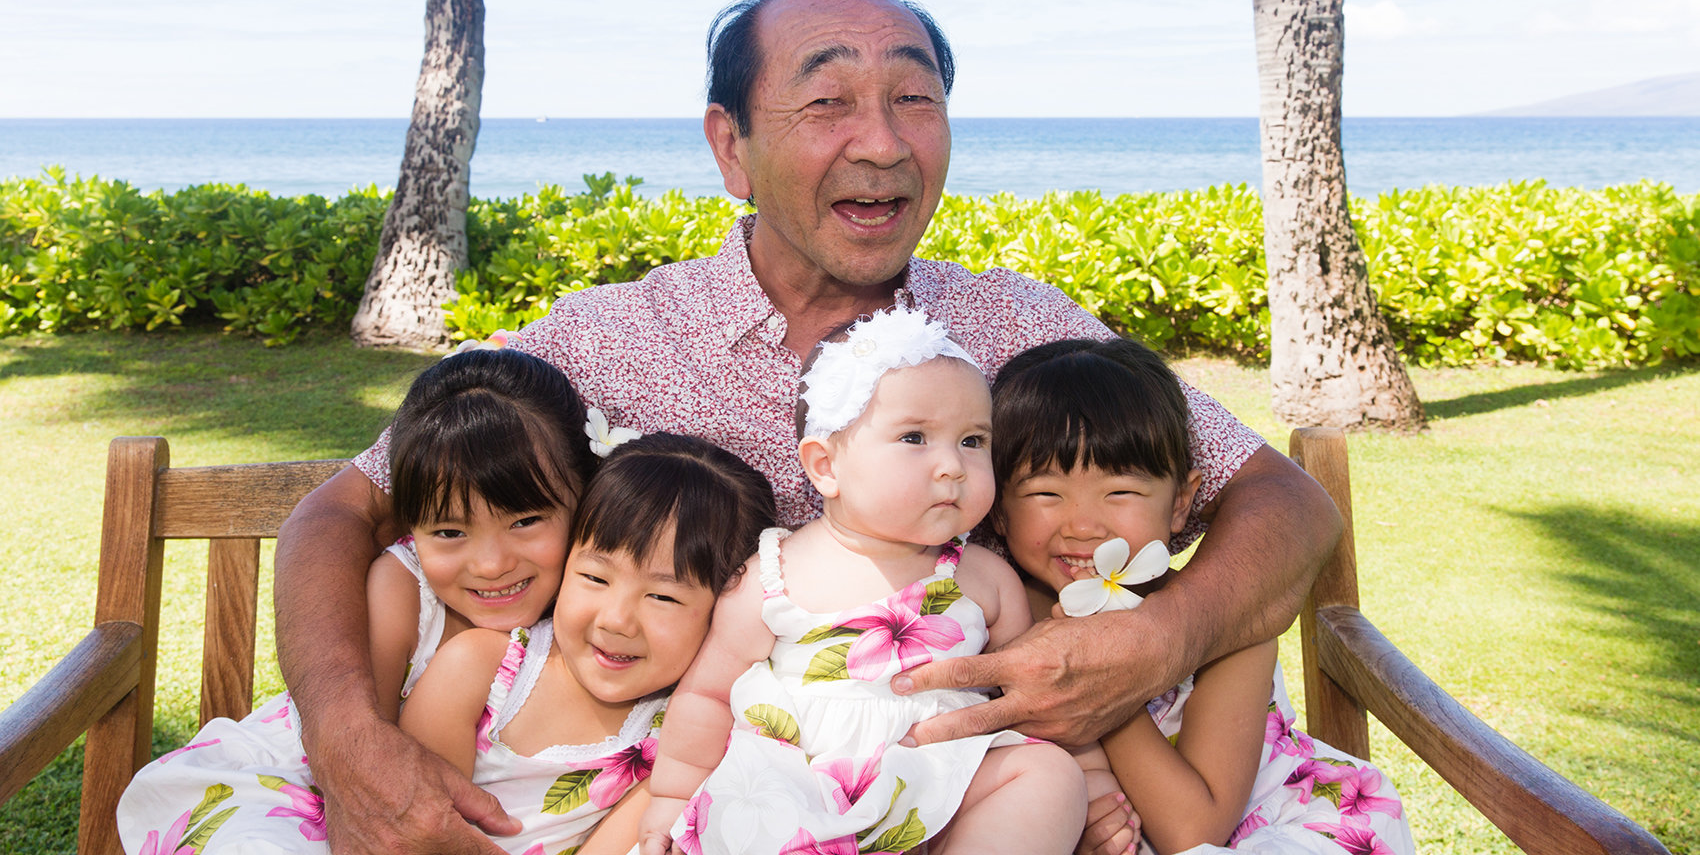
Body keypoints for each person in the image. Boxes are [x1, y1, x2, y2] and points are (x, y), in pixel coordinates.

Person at [275, 0, 1341, 855]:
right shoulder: (610, 339)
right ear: (730, 146)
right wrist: (347, 735)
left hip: (957, 785)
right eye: (825, 102)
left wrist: (1160, 638)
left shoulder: (1018, 330)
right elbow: (340, 515)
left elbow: (1279, 502)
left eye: (913, 100)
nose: (881, 143)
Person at [638, 308, 1109, 855]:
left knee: (1045, 774)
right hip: (801, 797)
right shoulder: (773, 574)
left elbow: (1037, 695)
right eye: (915, 437)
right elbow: (707, 696)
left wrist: (1091, 780)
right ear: (825, 466)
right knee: (753, 812)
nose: (953, 466)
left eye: (974, 441)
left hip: (942, 787)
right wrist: (671, 798)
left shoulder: (986, 579)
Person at [117, 347, 596, 854]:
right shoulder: (403, 589)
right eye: (450, 531)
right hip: (307, 788)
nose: (491, 564)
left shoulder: (600, 611)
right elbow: (363, 769)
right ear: (410, 527)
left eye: (524, 521)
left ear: (581, 500)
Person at [990, 338, 1413, 855]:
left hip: (1277, 828)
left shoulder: (1229, 622)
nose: (1082, 526)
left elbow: (1193, 832)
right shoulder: (994, 612)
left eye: (1120, 491)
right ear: (999, 509)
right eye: (1044, 493)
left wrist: (1102, 686)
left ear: (1180, 504)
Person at [401, 432, 775, 855]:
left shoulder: (680, 747)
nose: (616, 620)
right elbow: (405, 822)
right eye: (595, 577)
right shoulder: (477, 670)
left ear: (725, 611)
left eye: (663, 597)